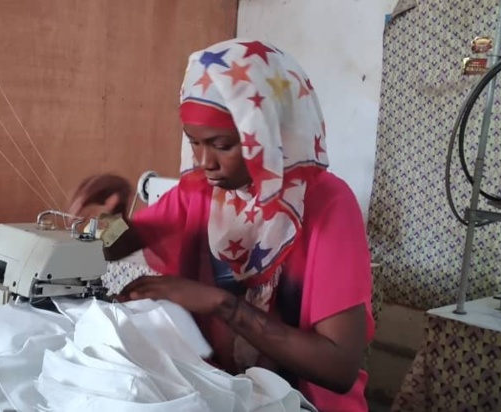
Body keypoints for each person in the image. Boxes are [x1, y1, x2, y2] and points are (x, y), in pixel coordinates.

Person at [69, 38, 374, 411]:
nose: (203, 162)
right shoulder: (199, 192)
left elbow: (338, 367)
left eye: (222, 145)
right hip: (221, 394)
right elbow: (118, 244)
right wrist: (112, 218)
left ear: (267, 133)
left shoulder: (327, 205)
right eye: (193, 143)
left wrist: (221, 305)